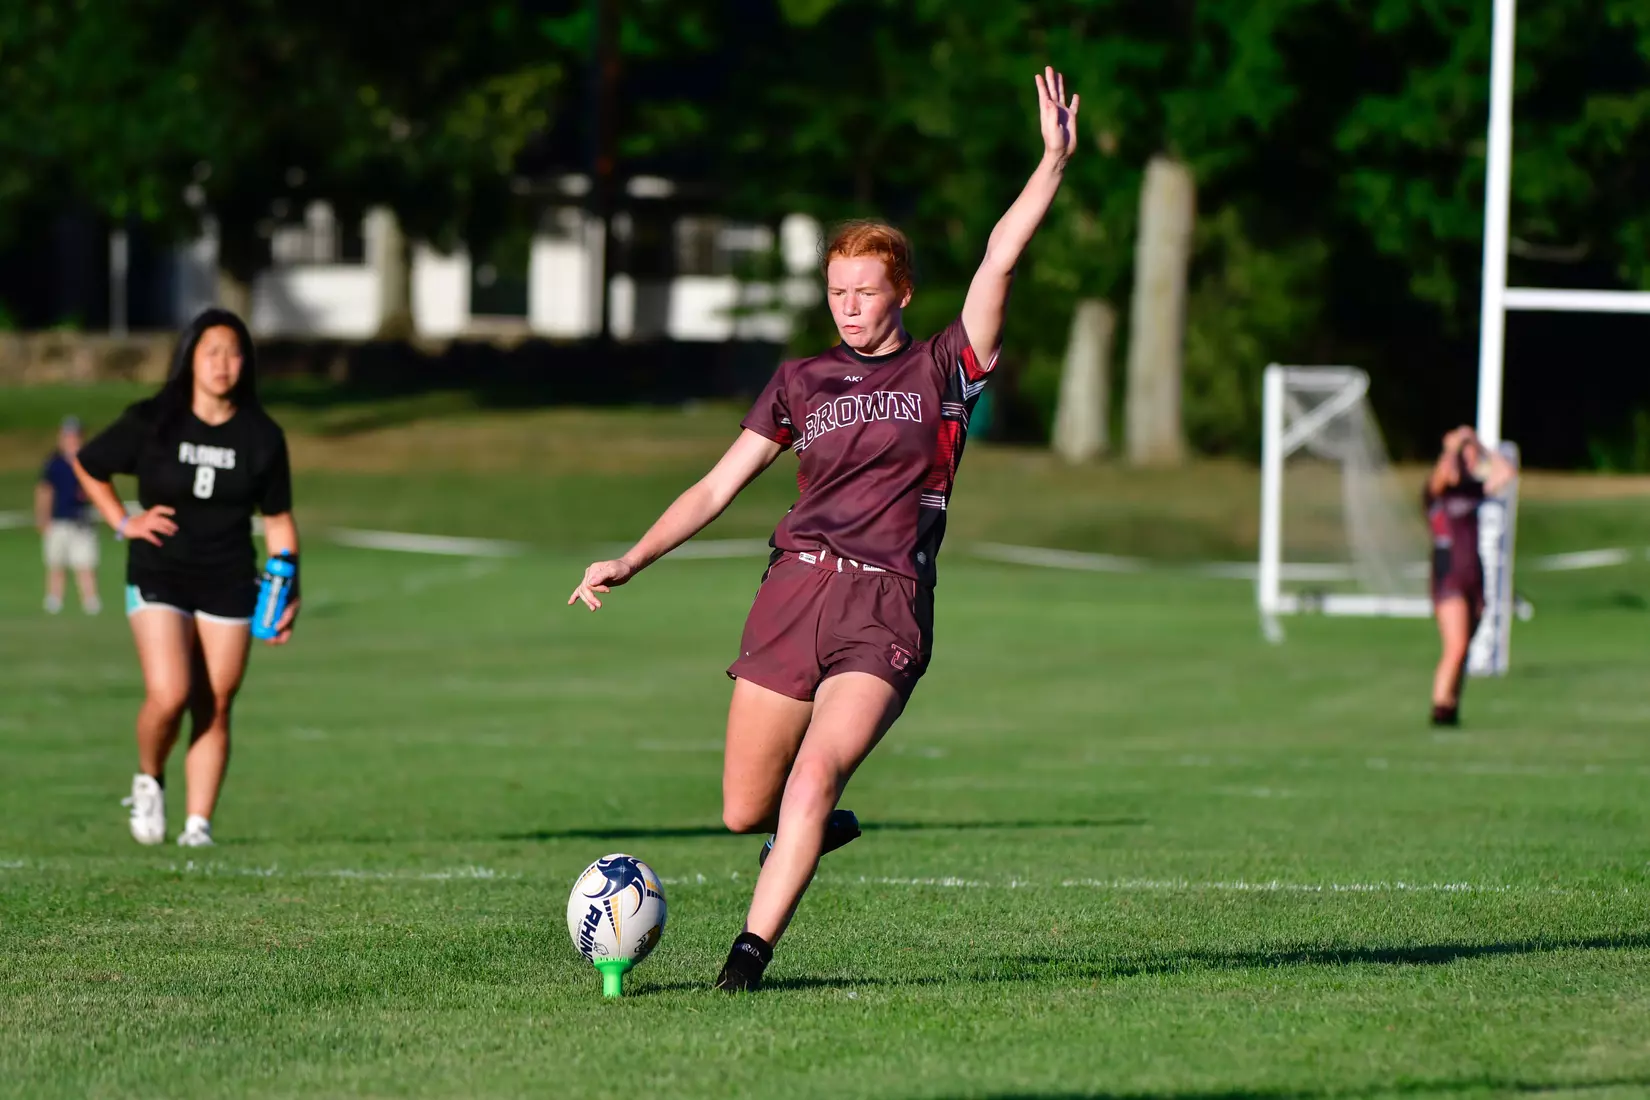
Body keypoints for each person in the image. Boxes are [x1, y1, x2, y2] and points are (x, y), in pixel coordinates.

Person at [569, 67, 1080, 991]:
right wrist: (632, 558)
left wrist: (1048, 164)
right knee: (741, 811)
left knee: (811, 782)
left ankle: (743, 968)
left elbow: (999, 260)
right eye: (837, 289)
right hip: (791, 590)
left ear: (903, 293)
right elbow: (719, 485)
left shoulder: (944, 369)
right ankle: (813, 828)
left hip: (884, 607)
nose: (849, 305)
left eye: (866, 289)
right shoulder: (799, 381)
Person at [73, 308, 301, 847]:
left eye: (234, 352)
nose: (223, 364)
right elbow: (89, 464)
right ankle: (149, 777)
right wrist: (123, 521)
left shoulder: (262, 436)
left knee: (216, 700)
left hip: (228, 575)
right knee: (170, 692)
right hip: (160, 570)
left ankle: (198, 826)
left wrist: (288, 587)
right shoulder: (156, 419)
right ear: (191, 358)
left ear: (247, 362)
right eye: (212, 352)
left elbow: (278, 521)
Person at [1424, 425, 1515, 727]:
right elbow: (1441, 475)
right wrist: (1452, 447)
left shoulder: (1471, 490)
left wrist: (1478, 444)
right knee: (1457, 644)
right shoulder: (1436, 493)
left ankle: (1451, 706)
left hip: (1473, 576)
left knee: (1465, 647)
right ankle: (1439, 708)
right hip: (1448, 577)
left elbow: (1505, 474)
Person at [36, 416, 102, 615]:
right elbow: (45, 491)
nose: (72, 440)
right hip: (58, 520)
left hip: (82, 521)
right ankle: (54, 599)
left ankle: (90, 600)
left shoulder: (87, 461)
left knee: (85, 563)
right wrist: (42, 517)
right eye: (69, 436)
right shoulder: (53, 463)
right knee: (56, 564)